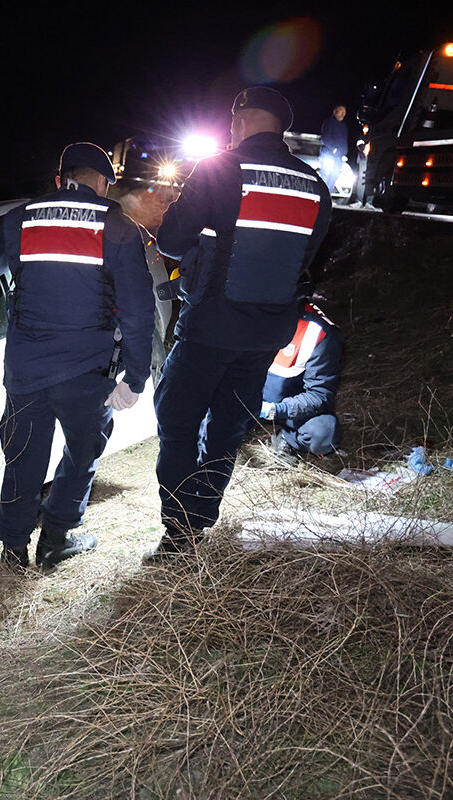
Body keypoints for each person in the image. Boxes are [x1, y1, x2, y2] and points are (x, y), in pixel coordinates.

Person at [149, 87, 332, 561]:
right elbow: (306, 261)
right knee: (227, 430)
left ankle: (179, 532)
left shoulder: (221, 168)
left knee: (177, 420)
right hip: (266, 337)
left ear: (241, 122)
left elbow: (169, 241)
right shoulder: (314, 185)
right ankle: (202, 517)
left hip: (210, 326)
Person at [0, 142, 155, 570]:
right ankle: (56, 538)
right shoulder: (117, 226)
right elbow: (137, 309)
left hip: (27, 370)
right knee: (82, 452)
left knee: (23, 457)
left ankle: (13, 550)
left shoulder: (21, 217)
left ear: (60, 178)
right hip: (87, 372)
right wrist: (134, 378)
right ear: (101, 183)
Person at [260, 301, 342, 457]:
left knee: (323, 432)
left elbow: (320, 394)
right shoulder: (240, 314)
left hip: (286, 407)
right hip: (242, 396)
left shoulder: (317, 331)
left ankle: (287, 437)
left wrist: (275, 410)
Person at [319, 104, 349, 194]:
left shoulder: (344, 126)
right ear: (335, 112)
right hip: (328, 155)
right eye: (341, 112)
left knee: (334, 176)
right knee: (326, 175)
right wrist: (333, 149)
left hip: (339, 156)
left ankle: (328, 196)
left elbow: (344, 139)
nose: (343, 114)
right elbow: (325, 138)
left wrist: (344, 151)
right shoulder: (329, 123)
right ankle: (322, 197)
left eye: (344, 113)